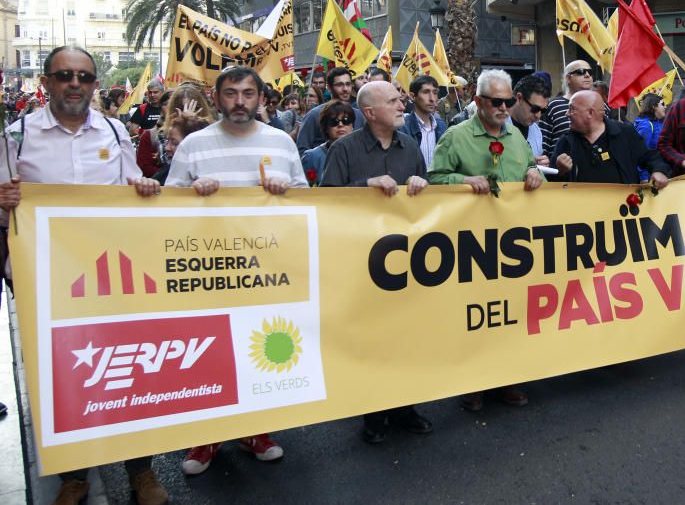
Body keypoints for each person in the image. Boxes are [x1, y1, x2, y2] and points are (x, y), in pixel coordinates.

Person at [0, 46, 166, 505]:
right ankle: (74, 476)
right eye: (65, 75)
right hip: (46, 280)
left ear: (94, 84)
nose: (75, 84)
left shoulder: (114, 131)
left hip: (113, 277)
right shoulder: (15, 137)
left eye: (84, 77)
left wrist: (146, 188)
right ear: (48, 82)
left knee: (130, 372)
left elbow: (134, 188)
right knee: (64, 378)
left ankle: (142, 472)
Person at [166, 66, 307, 475]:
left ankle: (255, 431)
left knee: (257, 350)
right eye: (231, 93)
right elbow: (168, 205)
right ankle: (204, 439)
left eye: (248, 93)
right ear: (217, 97)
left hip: (267, 270)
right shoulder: (193, 145)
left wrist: (286, 193)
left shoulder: (281, 142)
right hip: (209, 269)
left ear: (261, 98)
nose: (240, 101)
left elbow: (306, 200)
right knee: (209, 353)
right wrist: (193, 193)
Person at [320, 81, 434, 442]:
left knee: (407, 336)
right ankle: (373, 414)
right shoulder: (344, 149)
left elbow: (428, 200)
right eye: (393, 101)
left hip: (405, 260)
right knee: (371, 340)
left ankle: (405, 407)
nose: (402, 106)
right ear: (369, 113)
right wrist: (365, 185)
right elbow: (326, 201)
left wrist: (422, 183)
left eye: (401, 101)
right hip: (361, 261)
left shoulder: (411, 146)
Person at [429, 69, 543, 411]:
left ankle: (506, 379)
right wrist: (463, 181)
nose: (505, 108)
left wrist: (534, 172)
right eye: (497, 101)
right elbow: (433, 179)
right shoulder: (455, 136)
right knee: (478, 317)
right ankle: (473, 385)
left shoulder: (517, 139)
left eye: (509, 101)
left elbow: (528, 170)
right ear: (478, 101)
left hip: (512, 246)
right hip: (471, 246)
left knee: (511, 315)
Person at [553, 90, 670, 187]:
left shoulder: (625, 133)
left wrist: (659, 170)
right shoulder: (566, 142)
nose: (566, 114)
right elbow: (551, 182)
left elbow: (650, 156)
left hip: (621, 212)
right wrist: (560, 171)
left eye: (572, 109)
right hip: (583, 212)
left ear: (590, 113)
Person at [540, 60, 605, 158]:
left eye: (590, 72)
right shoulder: (553, 106)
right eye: (581, 71)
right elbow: (543, 142)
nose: (587, 75)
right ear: (568, 78)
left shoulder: (602, 106)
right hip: (562, 169)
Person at [296, 67, 366, 153]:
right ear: (329, 87)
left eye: (348, 84)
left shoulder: (359, 115)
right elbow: (302, 150)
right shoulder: (314, 115)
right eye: (340, 85)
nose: (345, 89)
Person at [399, 75, 446, 170]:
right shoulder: (403, 128)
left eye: (435, 92)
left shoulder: (442, 127)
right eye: (426, 92)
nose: (432, 99)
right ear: (412, 96)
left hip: (438, 183)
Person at [302, 101, 355, 184]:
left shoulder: (363, 153)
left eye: (346, 120)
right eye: (334, 122)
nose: (340, 125)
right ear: (325, 127)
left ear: (352, 126)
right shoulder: (311, 158)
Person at [508, 73, 550, 166]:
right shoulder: (497, 124)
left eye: (543, 110)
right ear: (519, 98)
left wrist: (542, 163)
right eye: (535, 109)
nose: (538, 116)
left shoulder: (536, 131)